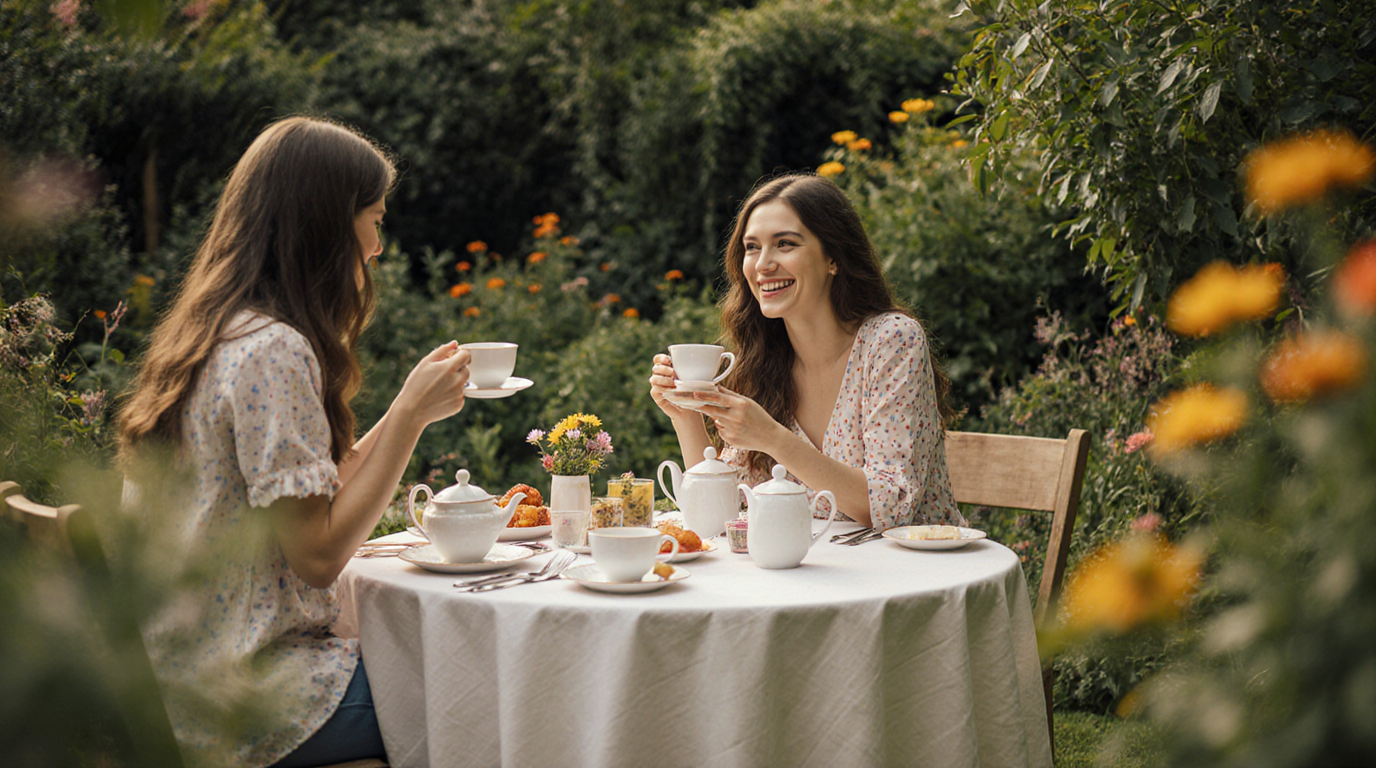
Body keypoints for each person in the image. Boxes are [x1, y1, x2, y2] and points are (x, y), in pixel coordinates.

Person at [117, 117, 472, 767]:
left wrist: (404, 410)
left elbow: (315, 491)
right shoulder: (273, 351)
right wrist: (411, 422)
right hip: (248, 697)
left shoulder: (218, 332)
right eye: (374, 218)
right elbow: (318, 555)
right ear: (326, 224)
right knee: (474, 693)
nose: (378, 246)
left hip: (183, 678)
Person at [648, 173, 963, 530]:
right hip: (813, 573)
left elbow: (889, 509)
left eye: (785, 244)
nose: (763, 264)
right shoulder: (762, 360)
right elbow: (726, 512)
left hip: (915, 573)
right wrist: (686, 415)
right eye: (752, 247)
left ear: (833, 258)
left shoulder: (891, 342)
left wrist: (770, 436)